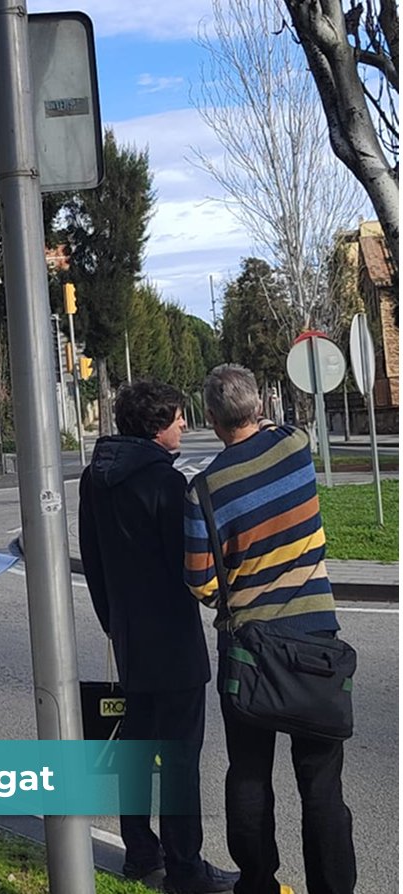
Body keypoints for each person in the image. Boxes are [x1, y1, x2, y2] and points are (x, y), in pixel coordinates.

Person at [184, 364, 356, 894]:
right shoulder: (296, 446)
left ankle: (257, 883)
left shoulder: (205, 490)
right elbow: (283, 425)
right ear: (258, 407)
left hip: (249, 651)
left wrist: (231, 592)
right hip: (314, 640)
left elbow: (200, 583)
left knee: (250, 775)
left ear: (210, 419)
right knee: (322, 783)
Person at [78, 381, 238, 894]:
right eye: (177, 418)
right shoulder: (168, 485)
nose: (184, 425)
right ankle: (185, 867)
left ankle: (139, 852)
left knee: (135, 752)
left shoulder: (93, 479)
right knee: (180, 758)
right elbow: (193, 567)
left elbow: (93, 562)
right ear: (155, 426)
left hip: (127, 634)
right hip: (172, 636)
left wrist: (114, 621)